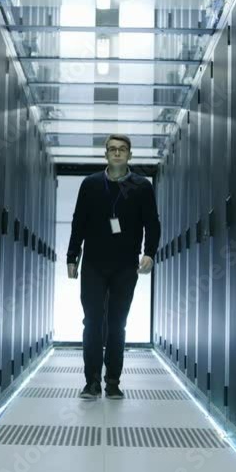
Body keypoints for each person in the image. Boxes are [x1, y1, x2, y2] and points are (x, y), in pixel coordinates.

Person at [67, 134, 160, 400]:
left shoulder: (142, 187)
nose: (117, 153)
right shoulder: (90, 185)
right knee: (93, 322)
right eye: (112, 149)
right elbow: (78, 223)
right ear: (105, 154)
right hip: (94, 265)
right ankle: (92, 381)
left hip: (125, 266)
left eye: (122, 149)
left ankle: (113, 381)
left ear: (130, 155)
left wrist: (149, 253)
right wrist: (72, 257)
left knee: (117, 324)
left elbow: (152, 223)